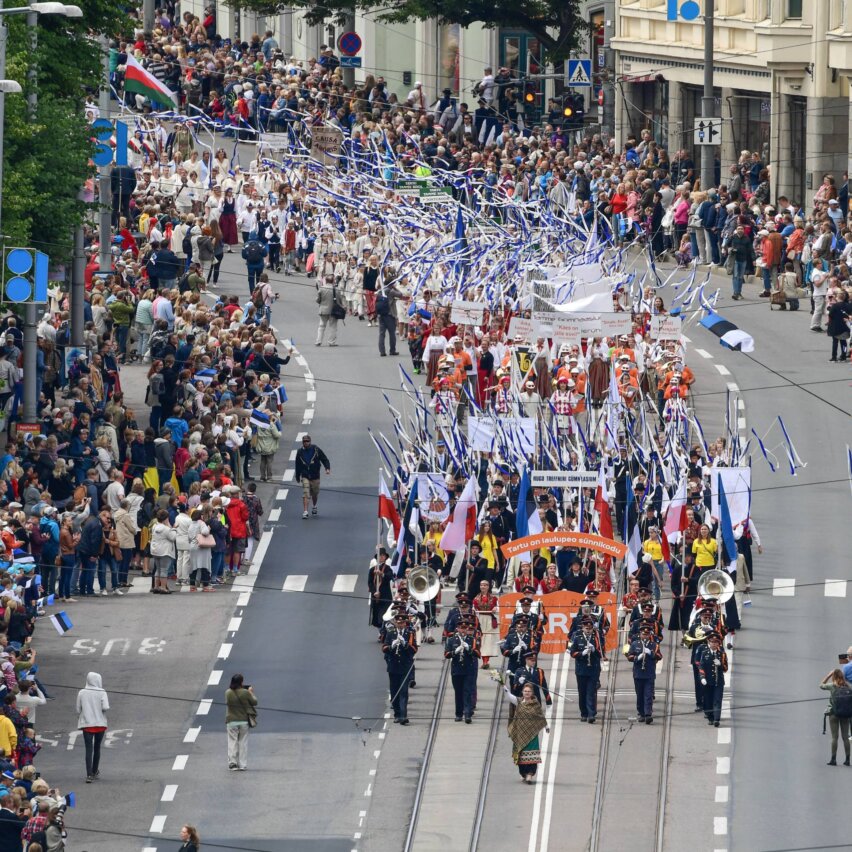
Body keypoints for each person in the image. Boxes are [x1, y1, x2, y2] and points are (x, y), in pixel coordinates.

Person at [504, 682, 549, 784]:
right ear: (522, 692)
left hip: (532, 734)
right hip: (520, 733)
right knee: (521, 755)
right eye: (525, 691)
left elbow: (540, 716)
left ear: (532, 693)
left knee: (531, 755)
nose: (527, 693)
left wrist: (546, 726)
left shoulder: (535, 704)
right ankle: (524, 774)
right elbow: (510, 696)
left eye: (529, 691)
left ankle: (530, 774)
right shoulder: (519, 702)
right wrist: (503, 685)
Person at [382, 612, 417, 725]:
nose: (400, 625)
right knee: (394, 691)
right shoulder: (391, 633)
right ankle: (397, 714)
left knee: (403, 691)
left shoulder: (409, 633)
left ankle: (403, 715)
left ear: (405, 623)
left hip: (405, 667)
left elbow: (414, 649)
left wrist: (405, 643)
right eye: (398, 623)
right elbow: (384, 648)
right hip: (393, 667)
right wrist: (392, 646)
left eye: (402, 623)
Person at [444, 617, 480, 723]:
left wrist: (469, 649)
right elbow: (446, 654)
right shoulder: (452, 640)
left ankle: (468, 714)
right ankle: (458, 714)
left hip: (468, 670)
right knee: (458, 692)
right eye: (461, 628)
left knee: (468, 692)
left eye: (465, 628)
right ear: (457, 629)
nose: (463, 630)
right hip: (457, 670)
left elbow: (478, 654)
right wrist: (455, 652)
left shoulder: (472, 640)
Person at [569, 617, 603, 723]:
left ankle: (591, 714)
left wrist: (594, 650)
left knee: (591, 692)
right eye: (586, 628)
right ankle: (583, 713)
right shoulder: (578, 637)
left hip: (593, 669)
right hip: (581, 669)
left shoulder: (596, 638)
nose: (588, 630)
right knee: (582, 692)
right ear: (583, 628)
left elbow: (601, 653)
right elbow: (572, 653)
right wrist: (581, 653)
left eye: (590, 628)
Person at [76, 671, 109, 783]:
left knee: (88, 749)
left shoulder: (82, 692)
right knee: (97, 747)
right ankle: (95, 771)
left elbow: (77, 709)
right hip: (100, 724)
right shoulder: (102, 692)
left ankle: (89, 774)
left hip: (87, 724)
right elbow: (105, 707)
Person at [626, 624, 662, 723]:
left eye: (647, 634)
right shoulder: (635, 644)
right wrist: (637, 658)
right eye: (643, 634)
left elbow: (659, 656)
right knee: (640, 694)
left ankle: (648, 714)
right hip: (638, 673)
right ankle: (641, 713)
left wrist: (651, 653)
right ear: (640, 634)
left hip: (649, 673)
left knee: (648, 694)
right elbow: (629, 656)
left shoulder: (654, 645)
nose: (645, 636)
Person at [225, 673, 257, 771]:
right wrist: (251, 692)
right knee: (242, 743)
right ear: (241, 682)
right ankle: (242, 764)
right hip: (243, 721)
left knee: (232, 742)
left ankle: (233, 763)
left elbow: (228, 703)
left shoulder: (228, 692)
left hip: (231, 721)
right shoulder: (245, 692)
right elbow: (255, 702)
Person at [820, 668, 852, 766]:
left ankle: (833, 759)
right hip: (845, 714)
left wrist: (829, 675)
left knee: (835, 737)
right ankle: (847, 760)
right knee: (845, 737)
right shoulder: (848, 686)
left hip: (834, 714)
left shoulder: (832, 686)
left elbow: (821, 685)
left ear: (834, 676)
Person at [294, 434, 331, 519]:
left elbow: (324, 459)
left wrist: (327, 468)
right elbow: (297, 464)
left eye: (307, 441)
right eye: (304, 441)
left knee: (315, 493)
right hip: (305, 475)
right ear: (302, 442)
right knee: (306, 493)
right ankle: (305, 511)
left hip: (315, 475)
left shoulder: (316, 449)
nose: (306, 443)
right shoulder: (300, 452)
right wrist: (297, 476)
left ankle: (314, 506)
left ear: (310, 442)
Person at [697, 631, 728, 727]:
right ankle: (710, 717)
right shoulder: (704, 653)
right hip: (708, 682)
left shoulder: (722, 654)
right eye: (712, 642)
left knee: (717, 700)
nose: (714, 644)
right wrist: (702, 678)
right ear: (709, 642)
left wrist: (721, 665)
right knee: (708, 700)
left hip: (718, 682)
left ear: (719, 643)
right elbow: (701, 666)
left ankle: (716, 719)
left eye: (716, 642)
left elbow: (726, 668)